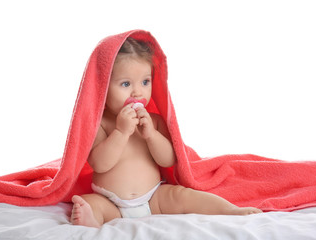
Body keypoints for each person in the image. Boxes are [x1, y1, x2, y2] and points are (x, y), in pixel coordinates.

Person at [70, 37, 262, 228]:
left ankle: (229, 210)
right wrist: (121, 132)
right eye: (126, 84)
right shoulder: (100, 124)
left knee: (182, 195)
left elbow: (168, 159)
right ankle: (92, 221)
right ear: (102, 88)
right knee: (90, 202)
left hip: (154, 197)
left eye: (145, 82)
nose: (138, 92)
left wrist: (152, 135)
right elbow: (100, 164)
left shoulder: (153, 121)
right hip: (110, 201)